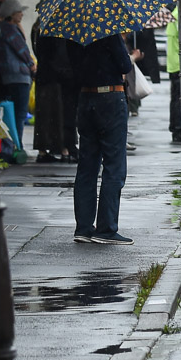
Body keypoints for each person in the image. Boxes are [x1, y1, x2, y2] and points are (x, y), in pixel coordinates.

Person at [69, 32, 134, 244]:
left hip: (85, 99)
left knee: (87, 165)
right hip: (110, 99)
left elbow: (73, 69)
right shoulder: (109, 32)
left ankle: (84, 228)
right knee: (114, 164)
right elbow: (125, 66)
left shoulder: (74, 34)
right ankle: (106, 229)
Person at [32, 12, 78, 163]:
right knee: (60, 116)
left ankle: (46, 150)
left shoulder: (41, 30)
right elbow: (59, 58)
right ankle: (64, 148)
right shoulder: (56, 32)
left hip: (45, 78)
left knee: (45, 117)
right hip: (58, 80)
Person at [0, 0, 36, 150]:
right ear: (11, 14)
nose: (21, 15)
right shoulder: (10, 30)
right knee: (19, 114)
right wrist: (32, 65)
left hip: (7, 77)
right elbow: (23, 51)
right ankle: (17, 146)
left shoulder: (3, 29)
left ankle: (11, 146)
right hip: (18, 77)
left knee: (12, 115)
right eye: (19, 12)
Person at [166, 4, 181, 143]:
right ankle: (178, 129)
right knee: (178, 100)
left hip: (173, 64)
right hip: (179, 64)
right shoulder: (179, 16)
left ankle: (175, 128)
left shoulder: (174, 15)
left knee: (175, 99)